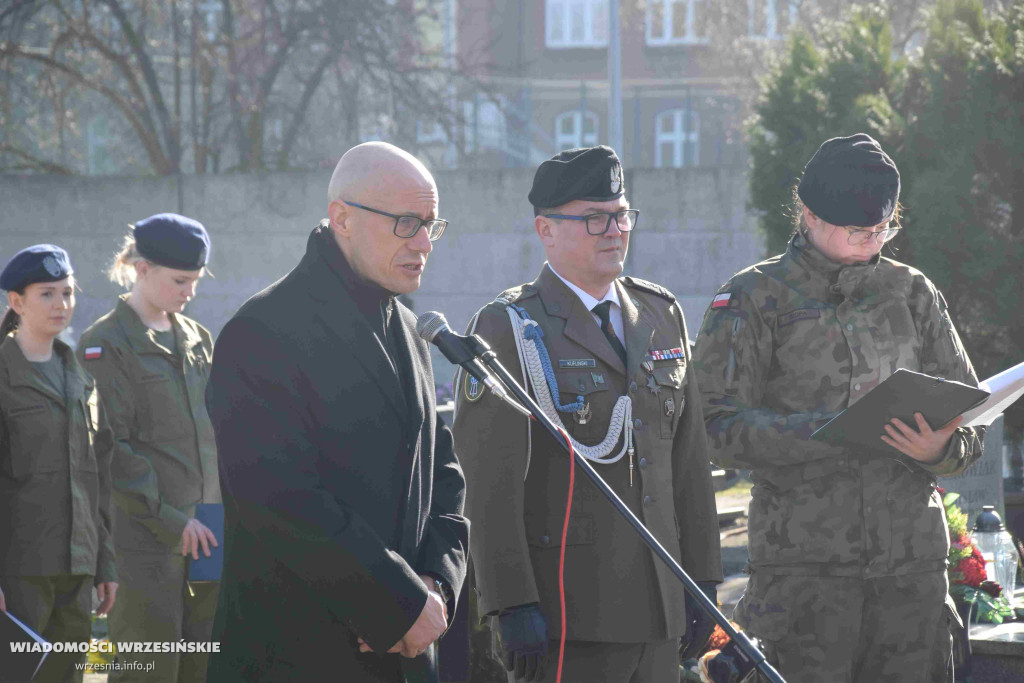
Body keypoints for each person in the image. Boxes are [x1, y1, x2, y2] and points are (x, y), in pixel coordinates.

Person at [693, 133, 985, 683]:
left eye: (884, 229)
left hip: (911, 579)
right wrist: (828, 432)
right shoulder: (754, 297)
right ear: (809, 213)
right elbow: (712, 426)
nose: (873, 242)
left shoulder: (913, 293)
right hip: (804, 581)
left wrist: (941, 449)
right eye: (858, 231)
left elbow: (971, 419)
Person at [451, 146, 723, 683]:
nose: (614, 231)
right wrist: (511, 602)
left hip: (662, 606)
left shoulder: (660, 314)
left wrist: (704, 580)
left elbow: (689, 464)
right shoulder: (511, 328)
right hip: (569, 615)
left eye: (621, 215)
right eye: (594, 218)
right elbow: (488, 486)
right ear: (546, 230)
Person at [204, 141, 469, 682]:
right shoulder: (263, 331)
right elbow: (281, 500)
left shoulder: (412, 331)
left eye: (430, 225)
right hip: (298, 655)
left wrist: (436, 587)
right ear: (342, 218)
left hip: (410, 651)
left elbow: (445, 478)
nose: (423, 242)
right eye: (405, 223)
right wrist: (395, 603)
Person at [77, 215, 220, 682]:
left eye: (196, 281)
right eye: (180, 281)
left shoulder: (197, 339)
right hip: (147, 539)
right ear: (142, 269)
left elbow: (214, 433)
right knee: (150, 668)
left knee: (204, 664)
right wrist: (173, 521)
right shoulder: (104, 345)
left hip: (210, 530)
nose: (189, 292)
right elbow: (109, 447)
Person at [0, 244, 118, 682]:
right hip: (20, 572)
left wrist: (105, 564)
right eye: (46, 294)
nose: (61, 304)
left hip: (76, 570)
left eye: (67, 293)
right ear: (16, 302)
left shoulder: (81, 380)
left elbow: (97, 481)